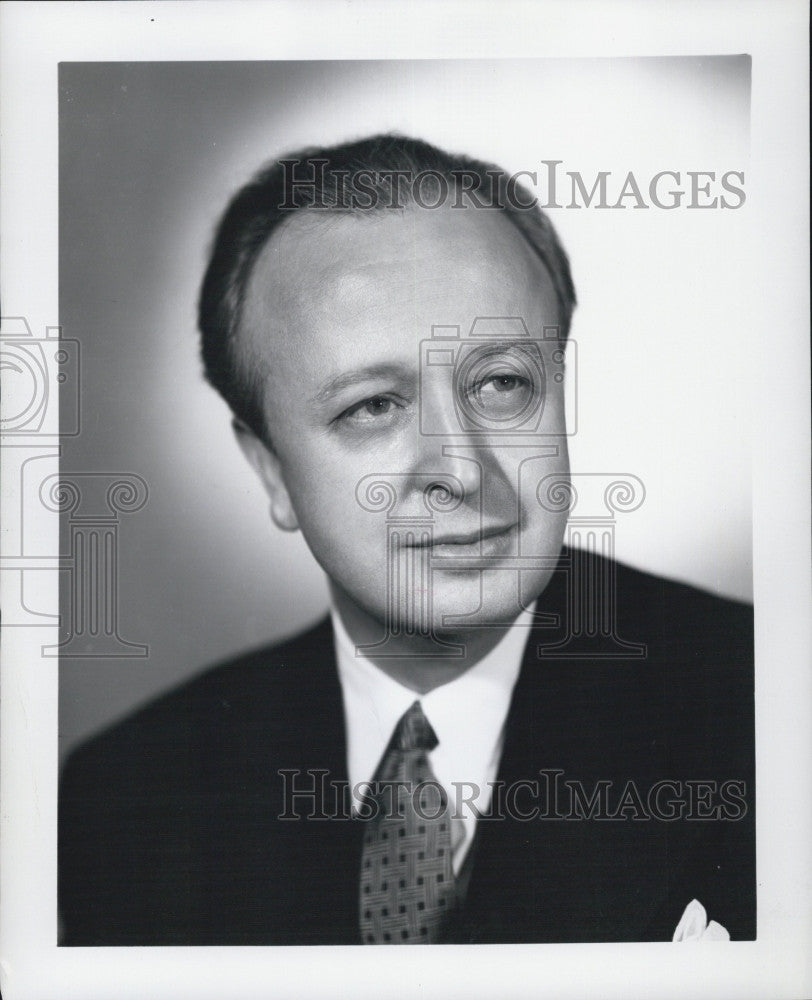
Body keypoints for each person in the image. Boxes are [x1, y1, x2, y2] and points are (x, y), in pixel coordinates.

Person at [59, 134, 755, 945]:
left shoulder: (771, 710)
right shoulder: (126, 797)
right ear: (271, 471)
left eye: (503, 384)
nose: (461, 470)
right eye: (372, 408)